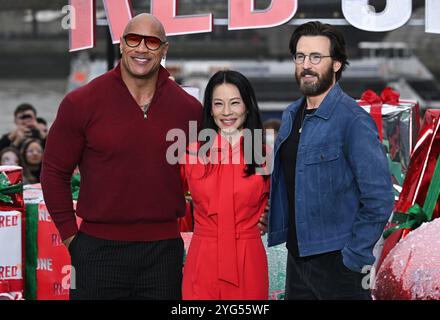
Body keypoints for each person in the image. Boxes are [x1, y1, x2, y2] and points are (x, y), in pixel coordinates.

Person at [41, 13, 202, 300]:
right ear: (121, 45)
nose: (142, 48)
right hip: (95, 250)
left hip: (163, 253)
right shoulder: (81, 103)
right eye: (133, 39)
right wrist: (70, 238)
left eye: (152, 42)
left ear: (164, 50)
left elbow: (211, 174)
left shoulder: (189, 109)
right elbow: (53, 172)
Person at [266, 21, 394, 300]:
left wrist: (353, 257)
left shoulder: (353, 121)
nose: (306, 65)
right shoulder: (290, 115)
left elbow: (380, 199)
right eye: (300, 57)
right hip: (297, 259)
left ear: (336, 64)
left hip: (339, 264)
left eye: (316, 57)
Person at [181, 70, 270, 299]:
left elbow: (284, 201)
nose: (227, 112)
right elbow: (164, 197)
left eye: (235, 103)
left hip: (248, 258)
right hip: (203, 259)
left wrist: (270, 216)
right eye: (218, 104)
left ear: (247, 106)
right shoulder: (191, 153)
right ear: (210, 109)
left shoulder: (264, 156)